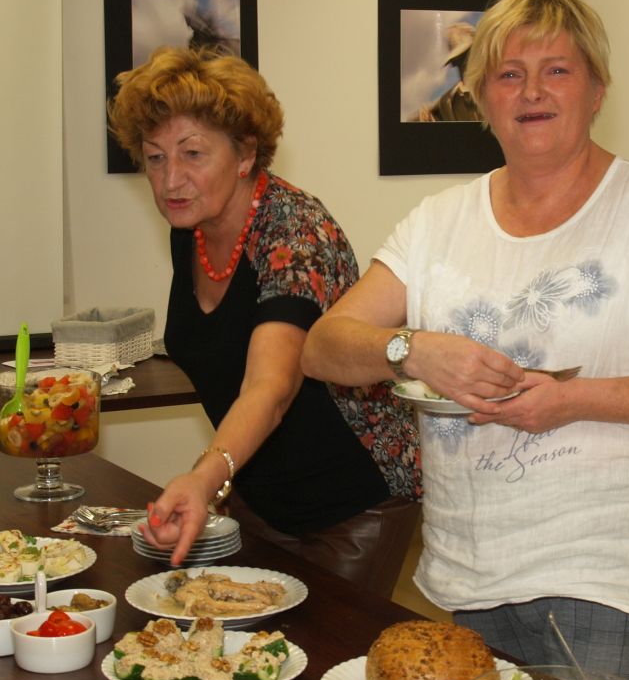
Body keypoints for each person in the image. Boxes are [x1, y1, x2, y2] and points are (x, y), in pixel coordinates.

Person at [302, 0, 629, 680]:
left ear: (597, 91)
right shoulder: (437, 223)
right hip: (470, 569)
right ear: (481, 97)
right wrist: (413, 349)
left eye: (558, 71)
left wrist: (571, 400)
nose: (532, 91)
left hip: (607, 571)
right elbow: (324, 346)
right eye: (509, 74)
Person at [107, 46, 420, 598]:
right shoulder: (190, 229)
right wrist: (219, 483)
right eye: (155, 158)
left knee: (317, 645)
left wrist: (203, 478)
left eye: (193, 153)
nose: (171, 179)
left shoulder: (296, 232)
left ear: (245, 153)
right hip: (257, 492)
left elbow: (271, 387)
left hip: (352, 504)